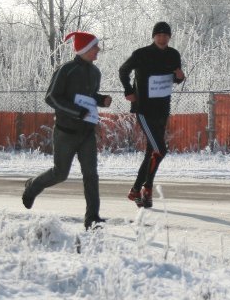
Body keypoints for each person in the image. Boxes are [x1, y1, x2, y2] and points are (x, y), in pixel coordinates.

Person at [22, 31, 113, 229]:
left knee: (91, 174)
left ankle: (92, 218)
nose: (98, 50)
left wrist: (101, 100)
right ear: (85, 49)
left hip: (87, 133)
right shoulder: (66, 70)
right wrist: (76, 112)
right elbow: (51, 97)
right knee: (60, 173)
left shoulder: (95, 72)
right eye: (95, 47)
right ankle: (33, 186)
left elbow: (89, 96)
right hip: (65, 132)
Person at [117, 21, 185, 208]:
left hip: (163, 109)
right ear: (153, 36)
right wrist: (128, 90)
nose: (162, 38)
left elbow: (176, 78)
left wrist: (180, 77)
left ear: (169, 37)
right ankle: (144, 187)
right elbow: (123, 70)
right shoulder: (141, 54)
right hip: (144, 109)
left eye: (166, 35)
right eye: (159, 35)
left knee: (152, 152)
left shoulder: (173, 55)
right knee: (160, 150)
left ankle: (138, 192)